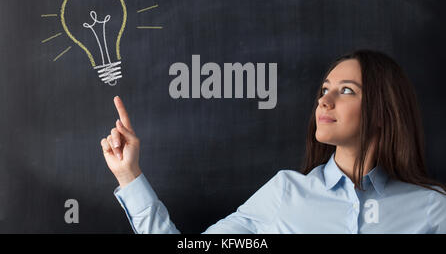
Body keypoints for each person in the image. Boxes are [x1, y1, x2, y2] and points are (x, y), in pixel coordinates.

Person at [100, 49, 446, 233]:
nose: (324, 101)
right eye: (324, 90)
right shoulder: (284, 194)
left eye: (346, 91)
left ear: (384, 112)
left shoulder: (432, 208)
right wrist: (130, 177)